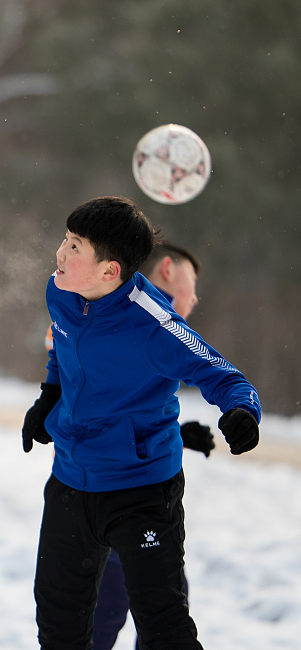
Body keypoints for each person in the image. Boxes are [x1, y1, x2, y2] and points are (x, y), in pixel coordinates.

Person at [21, 197, 261, 649]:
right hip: (71, 481)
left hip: (140, 491)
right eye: (66, 239)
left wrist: (242, 411)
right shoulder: (60, 291)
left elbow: (223, 375)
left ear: (110, 271)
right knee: (58, 626)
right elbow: (65, 354)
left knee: (162, 626)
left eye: (75, 247)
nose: (60, 253)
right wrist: (48, 397)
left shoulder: (155, 325)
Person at [91, 240, 212, 649]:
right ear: (166, 268)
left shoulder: (156, 333)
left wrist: (179, 432)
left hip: (136, 496)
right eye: (191, 281)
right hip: (115, 496)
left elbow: (133, 407)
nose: (194, 296)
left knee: (155, 613)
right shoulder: (129, 321)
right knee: (112, 618)